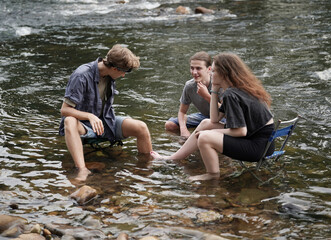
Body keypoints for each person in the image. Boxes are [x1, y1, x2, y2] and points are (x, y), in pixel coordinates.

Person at [151, 53, 275, 181]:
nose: (211, 74)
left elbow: (240, 131)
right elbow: (214, 119)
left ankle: (212, 175)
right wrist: (214, 90)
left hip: (257, 147)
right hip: (265, 144)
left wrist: (209, 133)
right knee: (206, 123)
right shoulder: (237, 89)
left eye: (214, 71)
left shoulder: (231, 94)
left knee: (205, 136)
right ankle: (174, 158)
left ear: (224, 74)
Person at [59, 44, 152, 181]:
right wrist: (89, 116)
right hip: (84, 126)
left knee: (141, 127)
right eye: (124, 71)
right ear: (114, 68)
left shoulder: (109, 75)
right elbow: (65, 110)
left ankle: (146, 167)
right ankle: (82, 169)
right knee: (69, 121)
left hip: (106, 122)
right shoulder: (81, 75)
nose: (124, 75)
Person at [165, 51, 215, 138]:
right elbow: (182, 112)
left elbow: (226, 111)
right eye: (192, 68)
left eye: (198, 68)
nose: (194, 72)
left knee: (205, 133)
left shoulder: (218, 83)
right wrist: (183, 130)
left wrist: (207, 96)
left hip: (222, 118)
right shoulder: (190, 86)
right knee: (170, 125)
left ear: (209, 69)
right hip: (204, 116)